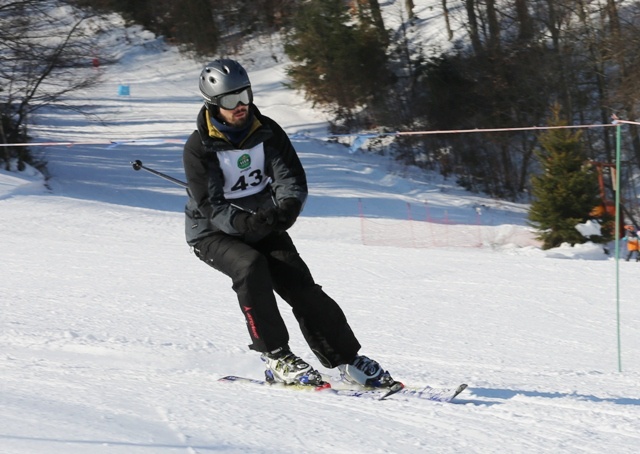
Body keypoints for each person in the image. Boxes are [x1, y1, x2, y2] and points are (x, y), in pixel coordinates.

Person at [182, 59, 396, 388]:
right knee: (250, 266)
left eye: (245, 95)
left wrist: (286, 209)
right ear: (213, 104)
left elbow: (290, 178)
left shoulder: (266, 131)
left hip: (261, 223)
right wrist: (244, 223)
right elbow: (211, 205)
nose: (240, 106)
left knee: (301, 284)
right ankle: (276, 356)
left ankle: (346, 360)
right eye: (229, 100)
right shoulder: (199, 148)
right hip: (211, 233)